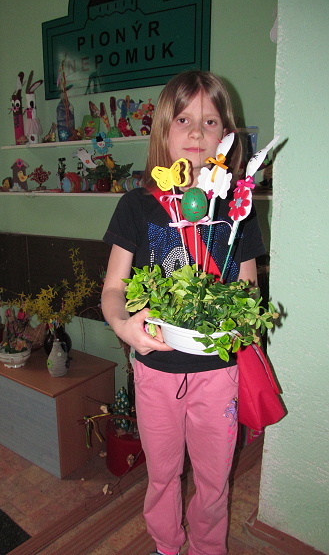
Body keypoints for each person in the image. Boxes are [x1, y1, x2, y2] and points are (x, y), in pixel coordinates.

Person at [101, 70, 266, 555]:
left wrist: (243, 325)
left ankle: (209, 548)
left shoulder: (237, 207)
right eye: (183, 120)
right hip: (155, 370)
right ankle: (166, 546)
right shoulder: (137, 207)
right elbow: (113, 289)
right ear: (163, 131)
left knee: (215, 481)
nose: (196, 132)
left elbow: (248, 292)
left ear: (225, 135)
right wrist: (123, 325)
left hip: (218, 371)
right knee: (162, 475)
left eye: (210, 121)